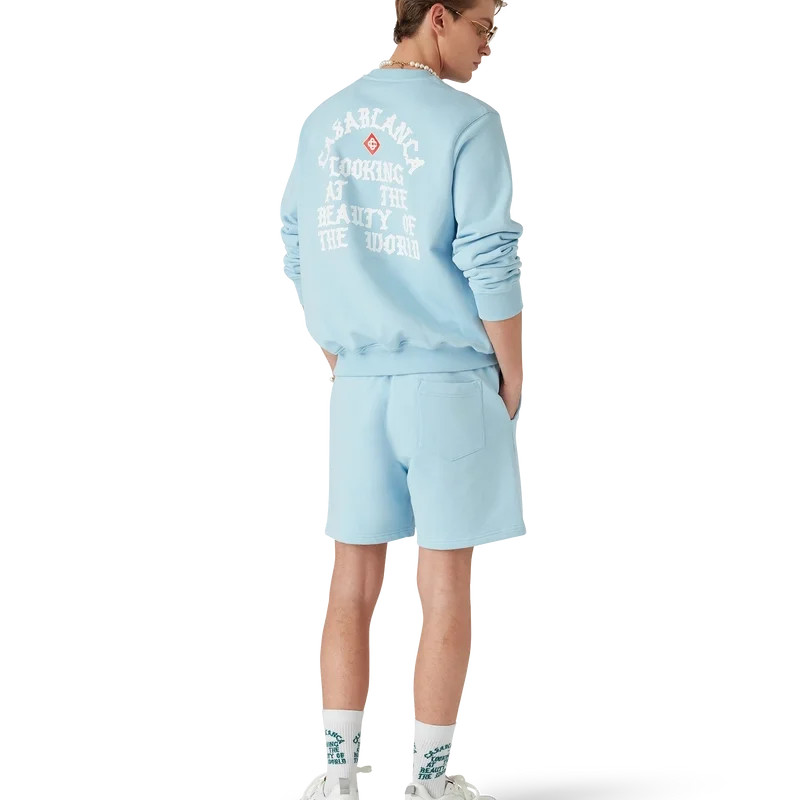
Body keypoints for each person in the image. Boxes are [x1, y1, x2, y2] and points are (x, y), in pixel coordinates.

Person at [280, 2, 522, 798]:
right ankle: (431, 779)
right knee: (444, 583)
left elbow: (297, 240)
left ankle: (337, 773)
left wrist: (334, 341)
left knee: (350, 580)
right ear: (437, 19)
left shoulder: (323, 117)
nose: (488, 47)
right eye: (481, 27)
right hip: (447, 379)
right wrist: (512, 369)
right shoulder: (468, 122)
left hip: (358, 383)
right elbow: (489, 253)